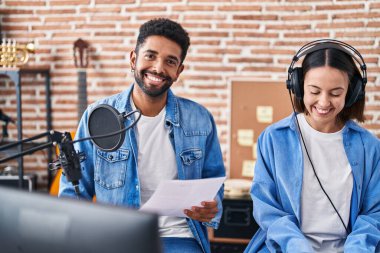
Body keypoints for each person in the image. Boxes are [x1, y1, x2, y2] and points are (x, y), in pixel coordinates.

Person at [59, 18, 226, 253]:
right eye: (150, 56)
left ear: (179, 71)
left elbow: (214, 184)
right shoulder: (96, 117)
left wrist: (212, 206)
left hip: (179, 237)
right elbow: (74, 189)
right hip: (117, 238)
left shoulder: (199, 119)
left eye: (170, 61)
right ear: (133, 59)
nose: (158, 68)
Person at [244, 40, 380, 253]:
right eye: (314, 91)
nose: (324, 102)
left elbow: (374, 213)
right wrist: (298, 248)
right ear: (298, 87)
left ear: (352, 93)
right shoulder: (273, 139)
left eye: (335, 93)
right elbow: (267, 208)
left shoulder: (370, 147)